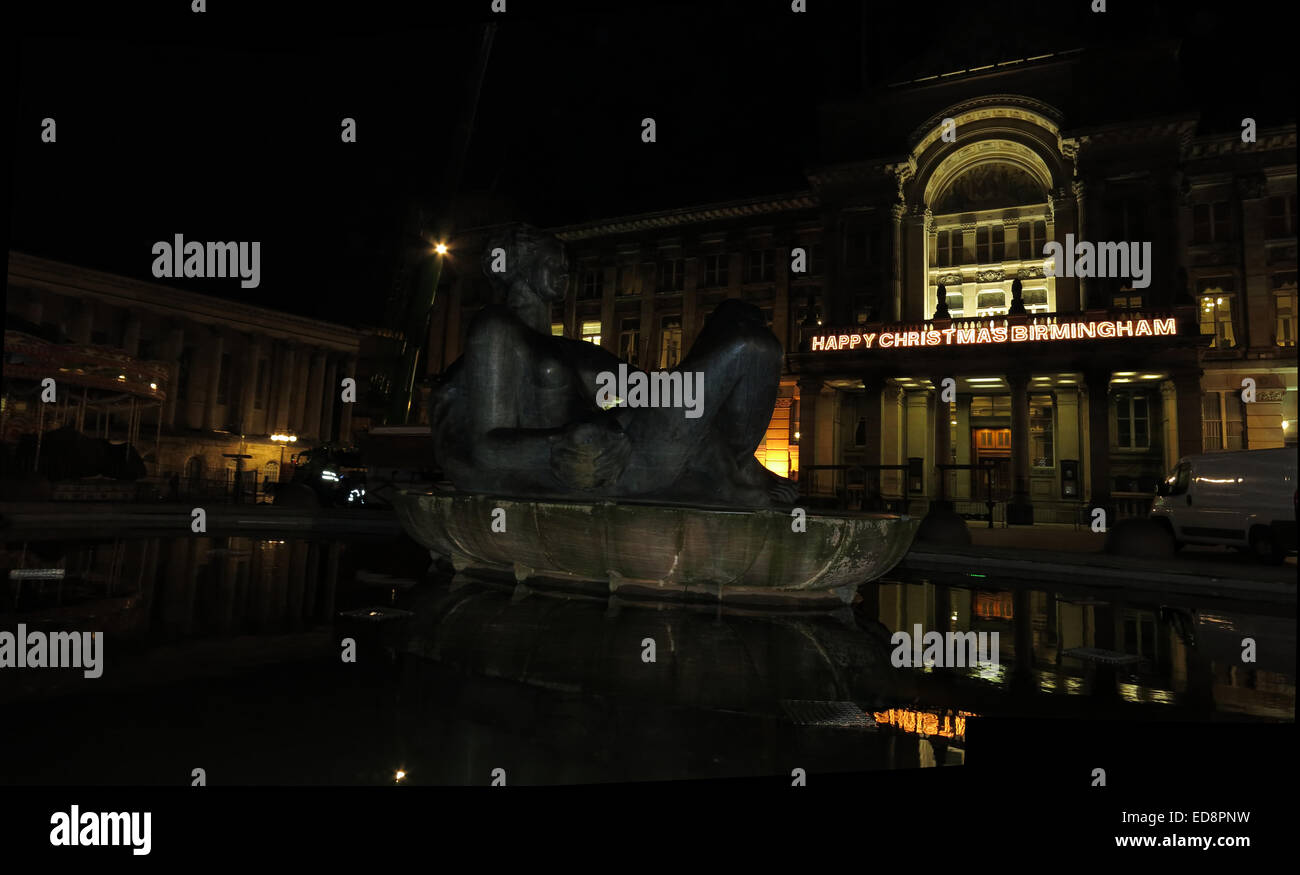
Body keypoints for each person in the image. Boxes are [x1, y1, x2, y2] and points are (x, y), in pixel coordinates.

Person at [429, 224, 797, 507]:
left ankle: (734, 465)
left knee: (738, 321)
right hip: (598, 466)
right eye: (551, 262)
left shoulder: (572, 350)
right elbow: (485, 446)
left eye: (565, 265)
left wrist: (685, 388)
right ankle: (730, 472)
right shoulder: (496, 329)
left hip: (625, 436)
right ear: (518, 265)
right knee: (750, 345)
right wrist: (559, 445)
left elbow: (649, 389)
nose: (563, 271)